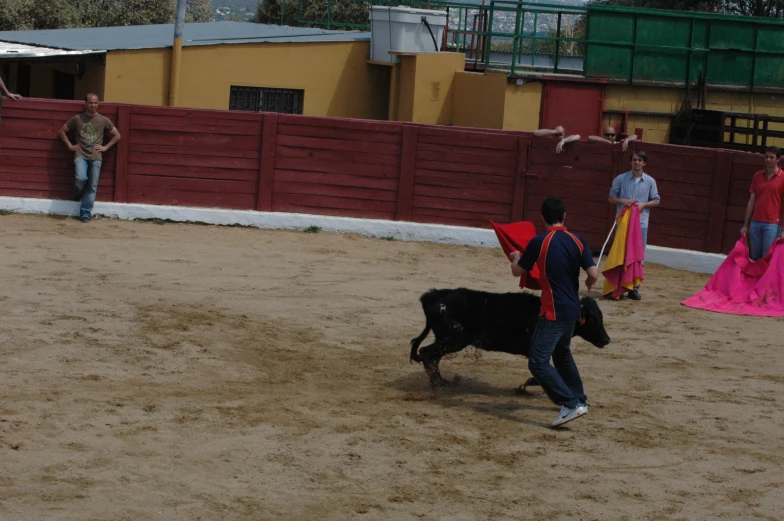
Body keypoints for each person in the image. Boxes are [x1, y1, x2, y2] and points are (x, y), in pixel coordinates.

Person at [509, 197, 598, 428]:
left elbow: (518, 272)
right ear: (564, 216)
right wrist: (588, 282)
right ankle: (579, 399)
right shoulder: (578, 240)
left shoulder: (540, 242)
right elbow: (594, 273)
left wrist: (515, 258)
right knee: (562, 354)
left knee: (537, 362)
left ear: (543, 218)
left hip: (554, 311)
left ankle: (570, 404)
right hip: (573, 309)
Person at [58, 93, 121, 223]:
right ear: (85, 103)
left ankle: (85, 213)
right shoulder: (77, 119)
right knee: (80, 178)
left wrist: (105, 147)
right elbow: (62, 131)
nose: (94, 105)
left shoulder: (103, 120)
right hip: (80, 154)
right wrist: (70, 145)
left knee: (92, 185)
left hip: (96, 155)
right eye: (91, 103)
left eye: (96, 103)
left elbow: (117, 135)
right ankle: (77, 193)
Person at [608, 149, 660, 300]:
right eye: (634, 160)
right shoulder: (620, 179)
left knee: (637, 256)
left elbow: (656, 200)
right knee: (621, 254)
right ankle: (618, 286)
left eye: (639, 160)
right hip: (623, 223)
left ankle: (634, 288)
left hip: (640, 224)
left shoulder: (650, 181)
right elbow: (611, 198)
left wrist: (643, 205)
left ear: (644, 163)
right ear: (631, 162)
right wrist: (623, 201)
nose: (636, 162)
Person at [740, 146, 784, 261]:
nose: (768, 160)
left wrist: (783, 229)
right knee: (754, 256)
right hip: (755, 222)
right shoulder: (757, 176)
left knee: (767, 257)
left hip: (773, 224)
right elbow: (751, 201)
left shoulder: (783, 177)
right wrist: (746, 224)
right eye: (766, 157)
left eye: (772, 157)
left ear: (778, 159)